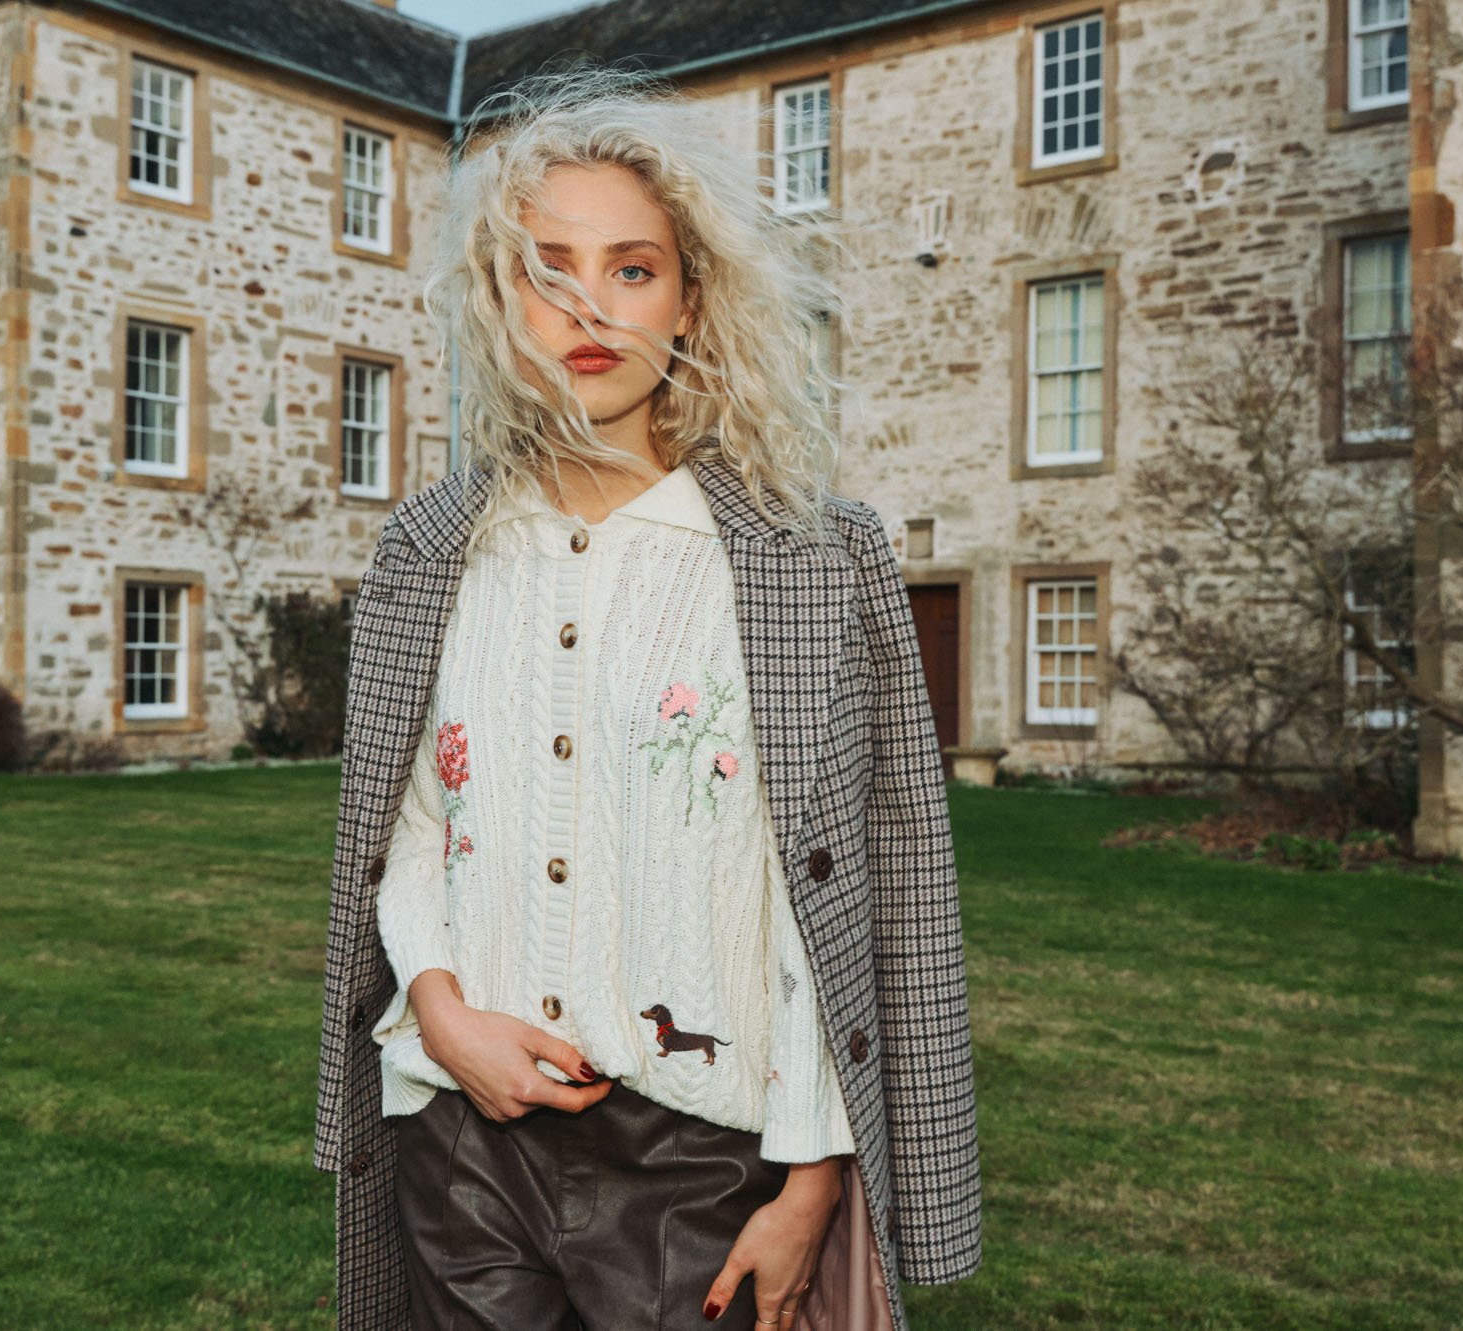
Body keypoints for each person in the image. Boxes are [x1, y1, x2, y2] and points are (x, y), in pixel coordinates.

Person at [313, 65, 980, 1331]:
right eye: (546, 268)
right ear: (498, 301)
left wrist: (810, 1178)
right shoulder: (428, 547)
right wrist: (443, 1014)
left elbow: (848, 887)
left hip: (704, 1162)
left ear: (690, 294)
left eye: (630, 268)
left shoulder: (810, 557)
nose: (589, 306)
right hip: (460, 1139)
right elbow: (403, 823)